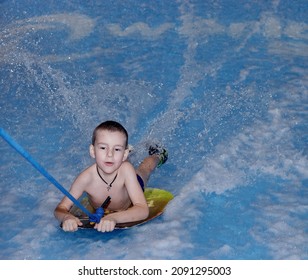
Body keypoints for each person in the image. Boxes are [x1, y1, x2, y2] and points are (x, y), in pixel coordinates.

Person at [54, 120, 168, 232]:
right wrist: (66, 217)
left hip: (130, 181)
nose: (109, 154)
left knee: (145, 169)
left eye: (116, 149)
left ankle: (157, 154)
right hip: (120, 165)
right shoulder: (85, 179)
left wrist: (113, 218)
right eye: (103, 148)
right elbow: (60, 209)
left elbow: (142, 210)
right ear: (93, 151)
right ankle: (124, 150)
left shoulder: (126, 170)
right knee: (115, 161)